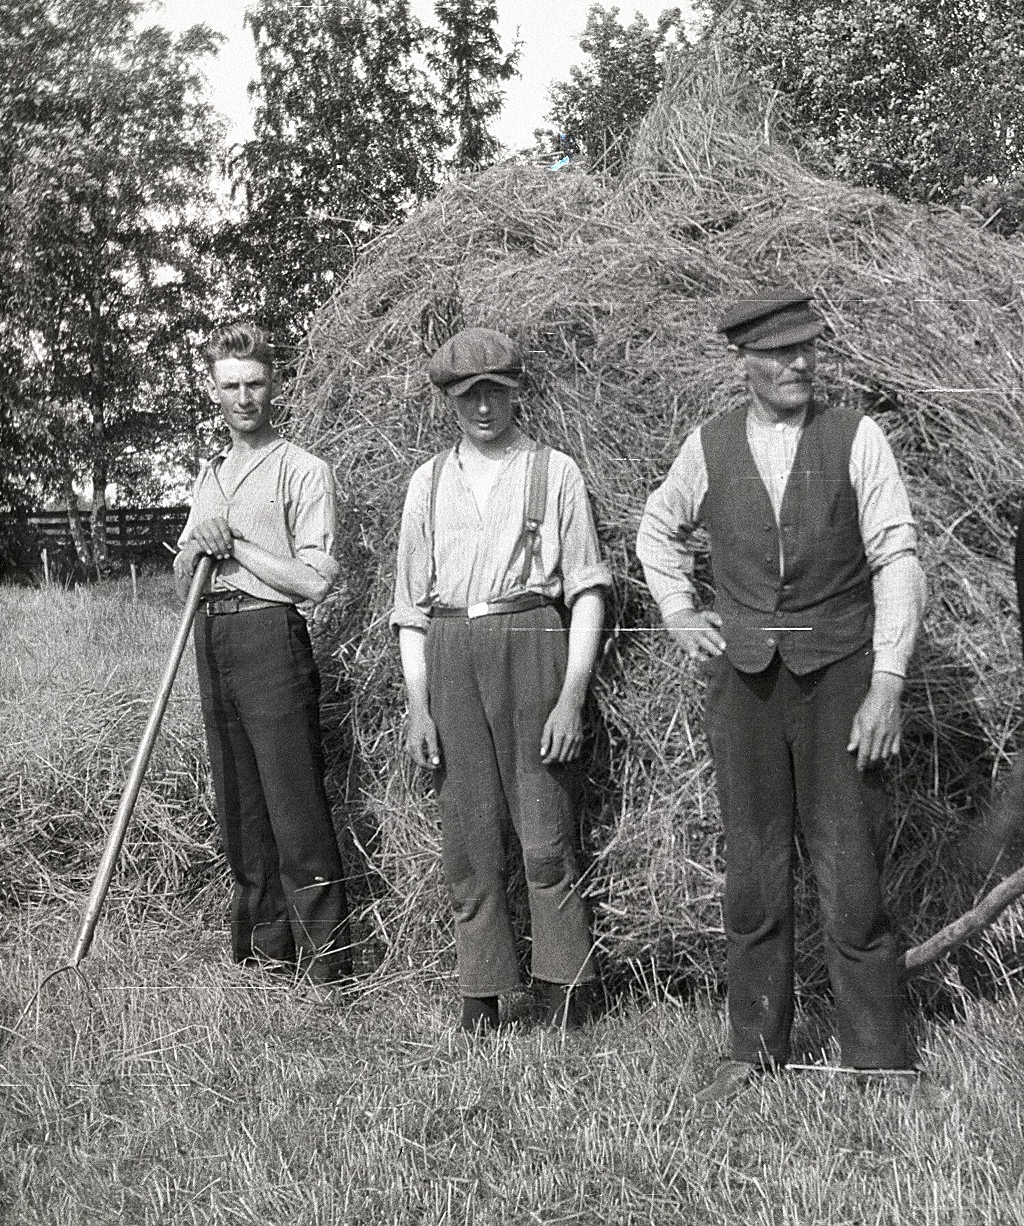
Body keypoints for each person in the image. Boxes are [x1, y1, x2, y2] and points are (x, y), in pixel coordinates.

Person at [637, 288, 928, 1103]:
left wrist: (887, 682)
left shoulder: (857, 437)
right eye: (778, 354)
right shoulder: (709, 446)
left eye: (807, 349)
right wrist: (679, 611)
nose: (797, 364)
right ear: (746, 365)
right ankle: (754, 1045)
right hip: (746, 690)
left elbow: (897, 557)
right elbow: (656, 530)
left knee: (852, 870)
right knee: (754, 872)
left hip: (842, 683)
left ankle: (879, 1055)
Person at [393, 328, 611, 1033]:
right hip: (452, 646)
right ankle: (481, 990)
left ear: (518, 391)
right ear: (449, 400)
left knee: (545, 831)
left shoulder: (555, 471)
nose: (484, 406)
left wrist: (572, 693)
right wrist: (418, 706)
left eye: (496, 391)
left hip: (532, 639)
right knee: (469, 834)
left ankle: (565, 988)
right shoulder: (426, 484)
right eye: (468, 394)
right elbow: (411, 611)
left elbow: (586, 591)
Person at [174, 323, 351, 986]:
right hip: (211, 634)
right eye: (230, 386)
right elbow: (181, 571)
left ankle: (330, 966)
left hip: (270, 635)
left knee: (293, 805)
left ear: (273, 386)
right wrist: (199, 546)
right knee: (241, 808)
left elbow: (314, 579)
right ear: (213, 391)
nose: (244, 397)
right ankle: (264, 961)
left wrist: (237, 545)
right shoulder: (209, 473)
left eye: (254, 383)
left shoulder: (303, 469)